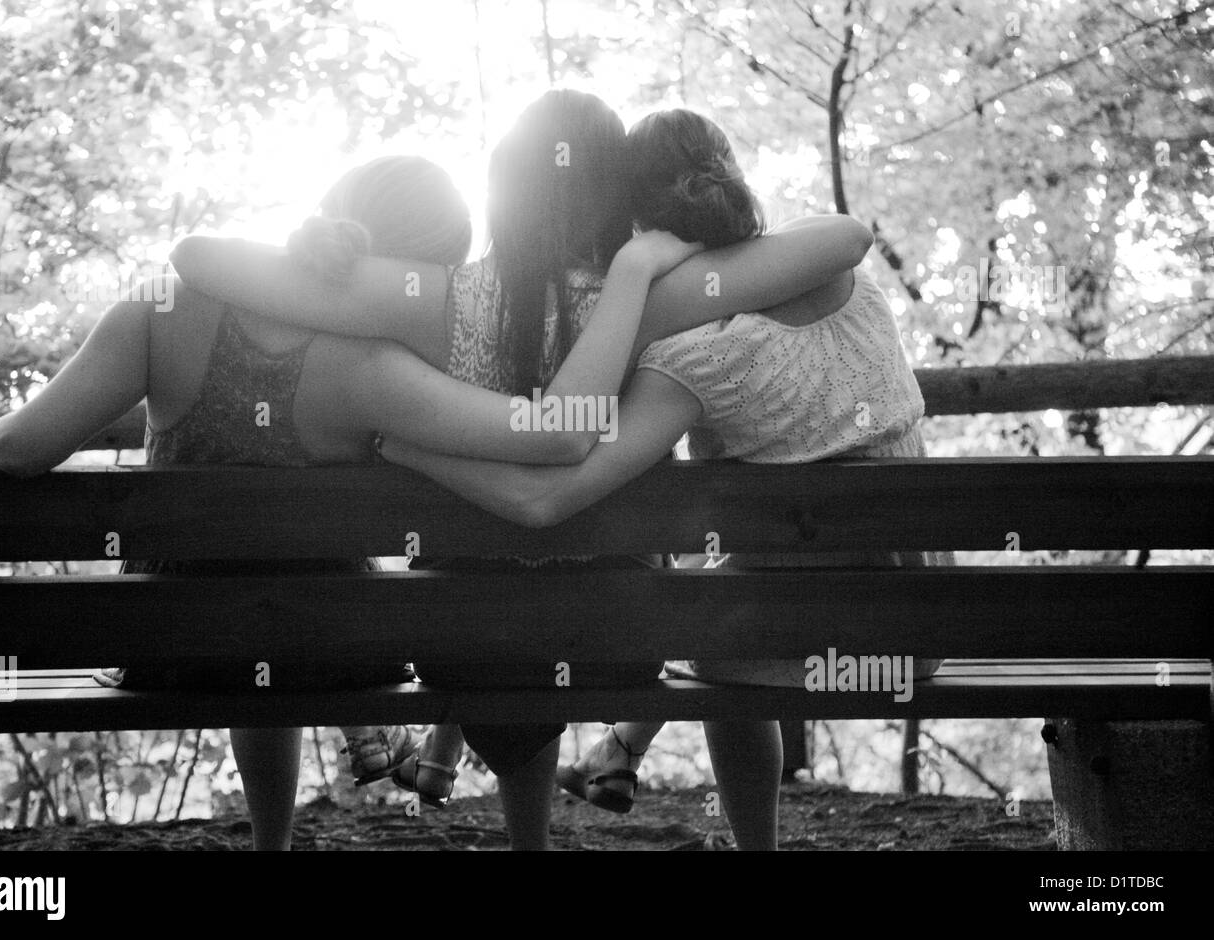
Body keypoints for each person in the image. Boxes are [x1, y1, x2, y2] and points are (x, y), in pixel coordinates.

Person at [169, 90, 876, 848]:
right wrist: (650, 257)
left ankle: (528, 844)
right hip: (620, 639)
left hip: (466, 640)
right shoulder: (656, 297)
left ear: (501, 185)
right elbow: (846, 239)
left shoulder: (429, 300)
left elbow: (195, 259)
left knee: (503, 602)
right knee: (557, 601)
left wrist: (315, 249)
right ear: (619, 193)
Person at [0, 151, 700, 848]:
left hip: (171, 647)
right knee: (280, 614)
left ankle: (271, 845)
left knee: (245, 616)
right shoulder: (378, 366)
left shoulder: (161, 310)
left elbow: (19, 450)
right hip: (333, 650)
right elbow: (540, 434)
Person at [377, 108, 949, 850]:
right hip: (922, 625)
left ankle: (736, 831)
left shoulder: (688, 358)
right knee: (709, 587)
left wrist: (408, 448)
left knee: (713, 630)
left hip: (780, 645)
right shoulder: (847, 277)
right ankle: (623, 749)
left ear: (637, 220)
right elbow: (849, 232)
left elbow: (547, 500)